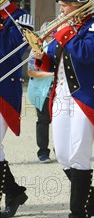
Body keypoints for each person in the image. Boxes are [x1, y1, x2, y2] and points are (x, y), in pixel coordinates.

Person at [34, 0, 94, 218]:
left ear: (78, 4)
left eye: (65, 5)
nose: (61, 10)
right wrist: (41, 56)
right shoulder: (67, 25)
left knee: (78, 154)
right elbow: (55, 59)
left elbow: (86, 55)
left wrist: (64, 32)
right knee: (63, 155)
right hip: (63, 95)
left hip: (86, 96)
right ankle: (92, 202)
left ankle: (78, 215)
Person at [0, 0, 34, 218]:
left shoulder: (21, 17)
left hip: (4, 87)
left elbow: (13, 50)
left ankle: (12, 192)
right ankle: (13, 191)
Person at [27, 28, 54, 163]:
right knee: (43, 121)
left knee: (63, 121)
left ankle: (61, 150)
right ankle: (43, 151)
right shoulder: (36, 49)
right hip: (42, 91)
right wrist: (51, 74)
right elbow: (31, 72)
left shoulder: (61, 46)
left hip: (59, 90)